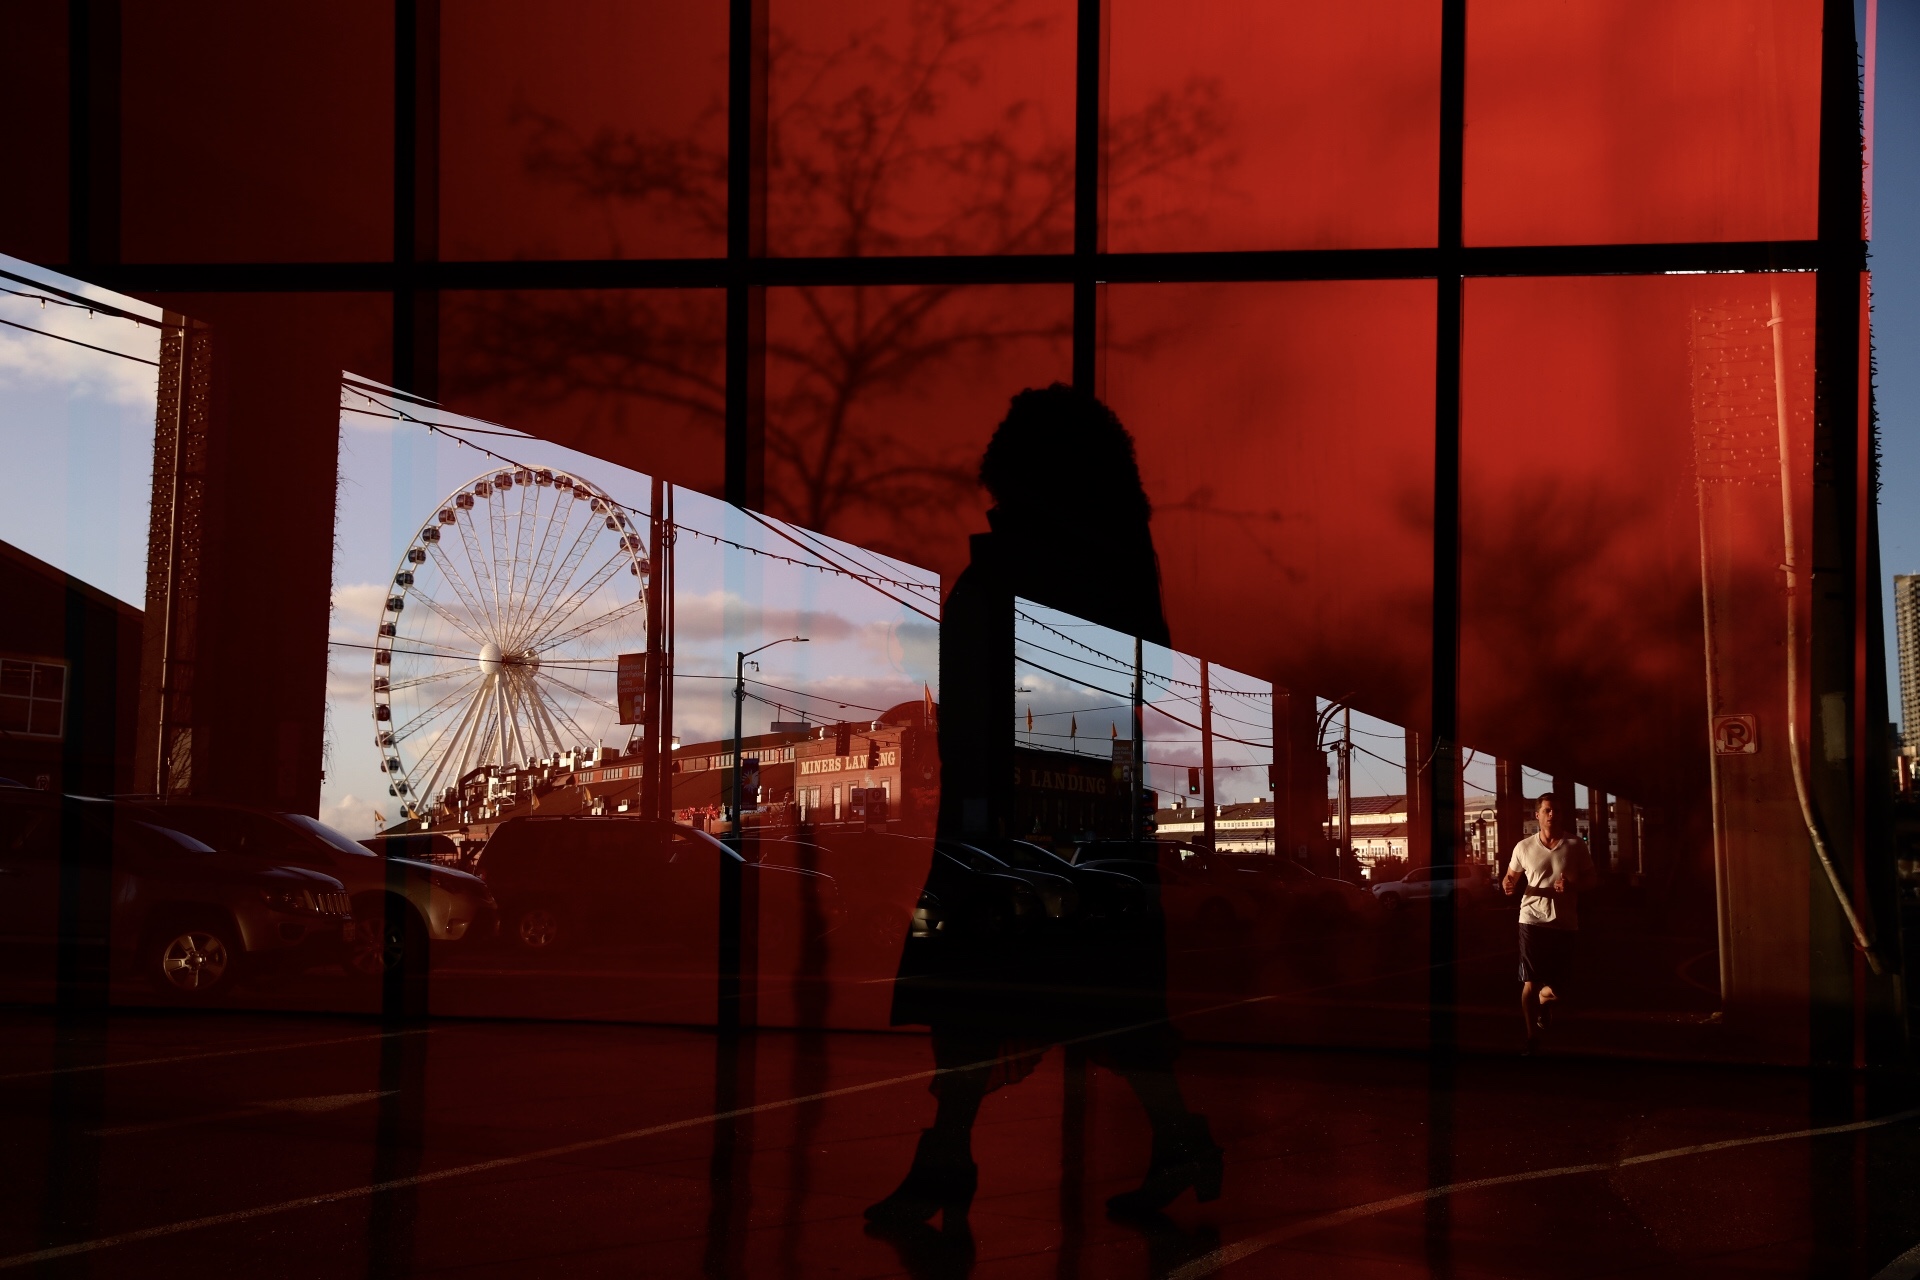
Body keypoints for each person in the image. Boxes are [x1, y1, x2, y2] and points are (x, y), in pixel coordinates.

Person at [866, 384, 1221, 1241]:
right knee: (1090, 992)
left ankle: (951, 1158)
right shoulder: (1099, 561)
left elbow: (1003, 687)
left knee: (987, 992)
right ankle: (1171, 1140)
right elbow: (1152, 672)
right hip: (1064, 806)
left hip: (1020, 810)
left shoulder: (1030, 565)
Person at [1502, 792, 1598, 1053]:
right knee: (1530, 982)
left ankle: (1545, 1003)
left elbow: (1592, 881)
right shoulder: (1523, 847)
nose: (1552, 815)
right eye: (1547, 810)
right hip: (1531, 919)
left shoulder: (1576, 845)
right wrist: (1508, 884)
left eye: (1556, 810)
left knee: (1560, 990)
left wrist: (1573, 886)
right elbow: (1510, 876)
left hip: (1564, 922)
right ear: (1537, 815)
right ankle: (1532, 1036)